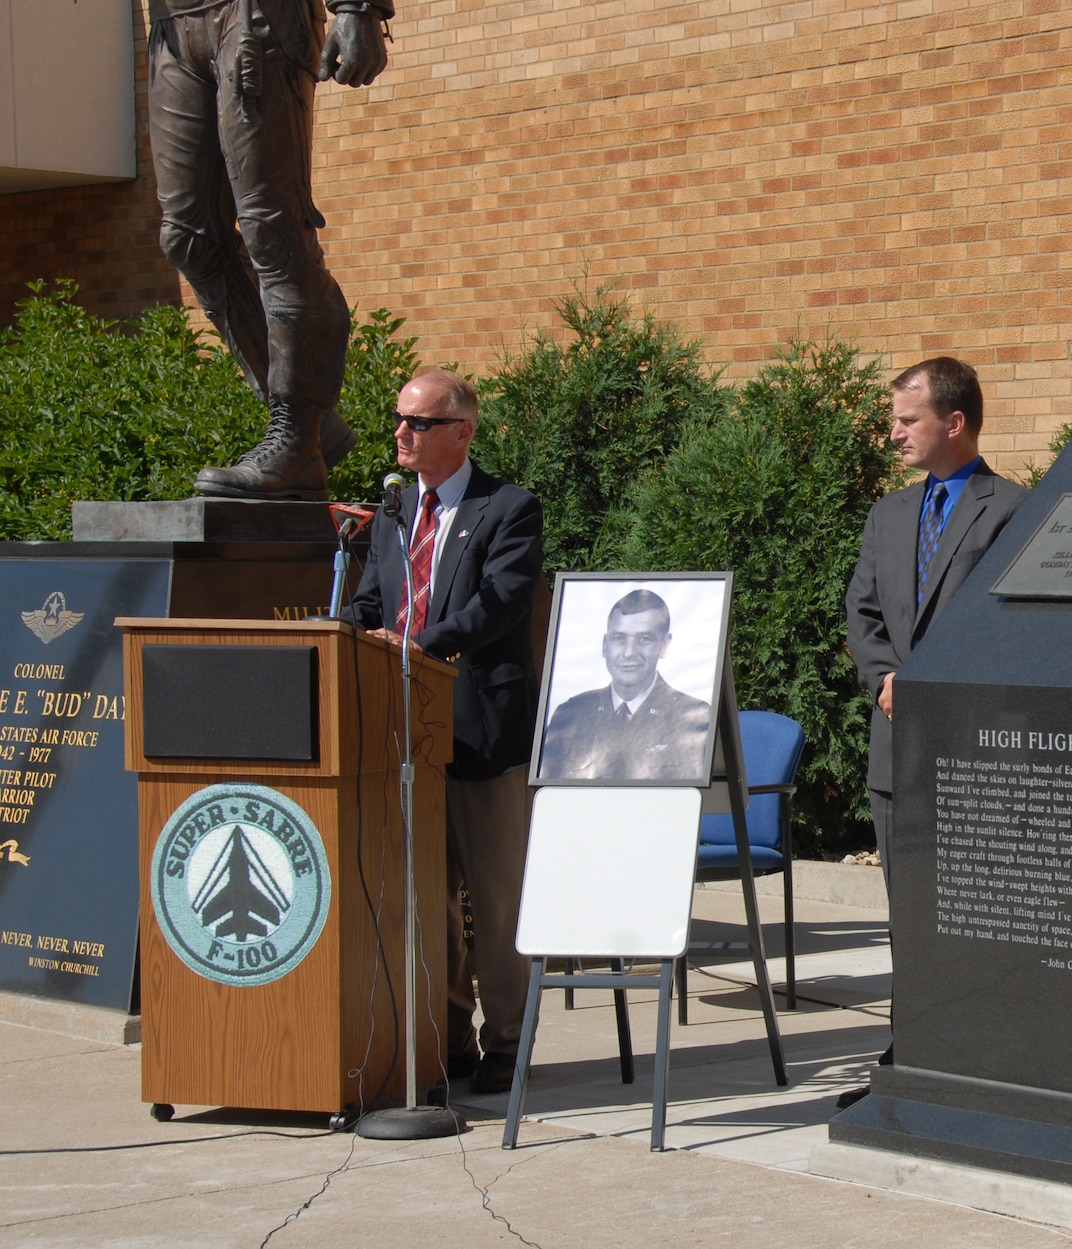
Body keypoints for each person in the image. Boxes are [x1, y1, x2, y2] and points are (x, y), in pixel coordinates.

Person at [347, 370, 543, 1095]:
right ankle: (450, 1036)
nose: (401, 433)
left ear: (461, 431)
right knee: (428, 901)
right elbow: (372, 600)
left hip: (483, 734)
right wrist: (351, 633)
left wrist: (423, 645)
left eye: (417, 423)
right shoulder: (394, 512)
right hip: (405, 741)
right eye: (398, 419)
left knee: (494, 901)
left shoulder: (508, 509)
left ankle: (509, 1039)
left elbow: (502, 602)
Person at [842, 356, 1027, 1105]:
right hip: (898, 751)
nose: (895, 433)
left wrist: (944, 690)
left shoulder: (1015, 510)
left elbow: (1013, 622)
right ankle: (910, 1055)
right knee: (909, 912)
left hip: (975, 753)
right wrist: (886, 675)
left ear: (953, 422)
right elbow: (864, 613)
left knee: (979, 916)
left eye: (907, 420)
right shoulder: (888, 515)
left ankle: (985, 1059)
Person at [151, 0, 390, 500]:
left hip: (259, 16)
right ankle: (309, 420)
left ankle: (296, 434)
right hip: (173, 27)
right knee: (188, 238)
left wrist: (360, 8)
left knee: (273, 231)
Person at [539, 590, 713, 781]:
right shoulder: (570, 715)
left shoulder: (693, 717)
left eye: (644, 639)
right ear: (605, 645)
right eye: (619, 639)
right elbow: (549, 795)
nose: (629, 652)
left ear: (664, 644)